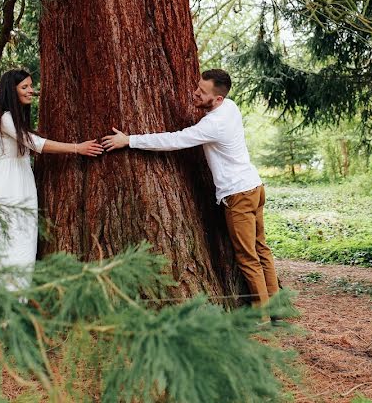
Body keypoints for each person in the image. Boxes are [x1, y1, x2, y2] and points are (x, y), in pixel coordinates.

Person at [101, 68, 279, 309]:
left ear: (218, 99)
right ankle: (279, 307)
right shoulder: (230, 106)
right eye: (197, 87)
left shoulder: (213, 124)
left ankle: (263, 316)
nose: (195, 93)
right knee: (261, 250)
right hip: (254, 187)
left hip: (238, 194)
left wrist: (130, 140)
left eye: (202, 92)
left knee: (248, 258)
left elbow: (173, 140)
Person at [0, 68, 103, 290]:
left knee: (22, 239)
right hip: (5, 188)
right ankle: (0, 300)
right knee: (8, 241)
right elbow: (36, 144)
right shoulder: (4, 119)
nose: (31, 91)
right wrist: (77, 148)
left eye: (31, 86)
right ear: (10, 91)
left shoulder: (13, 120)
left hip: (18, 184)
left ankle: (12, 299)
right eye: (24, 87)